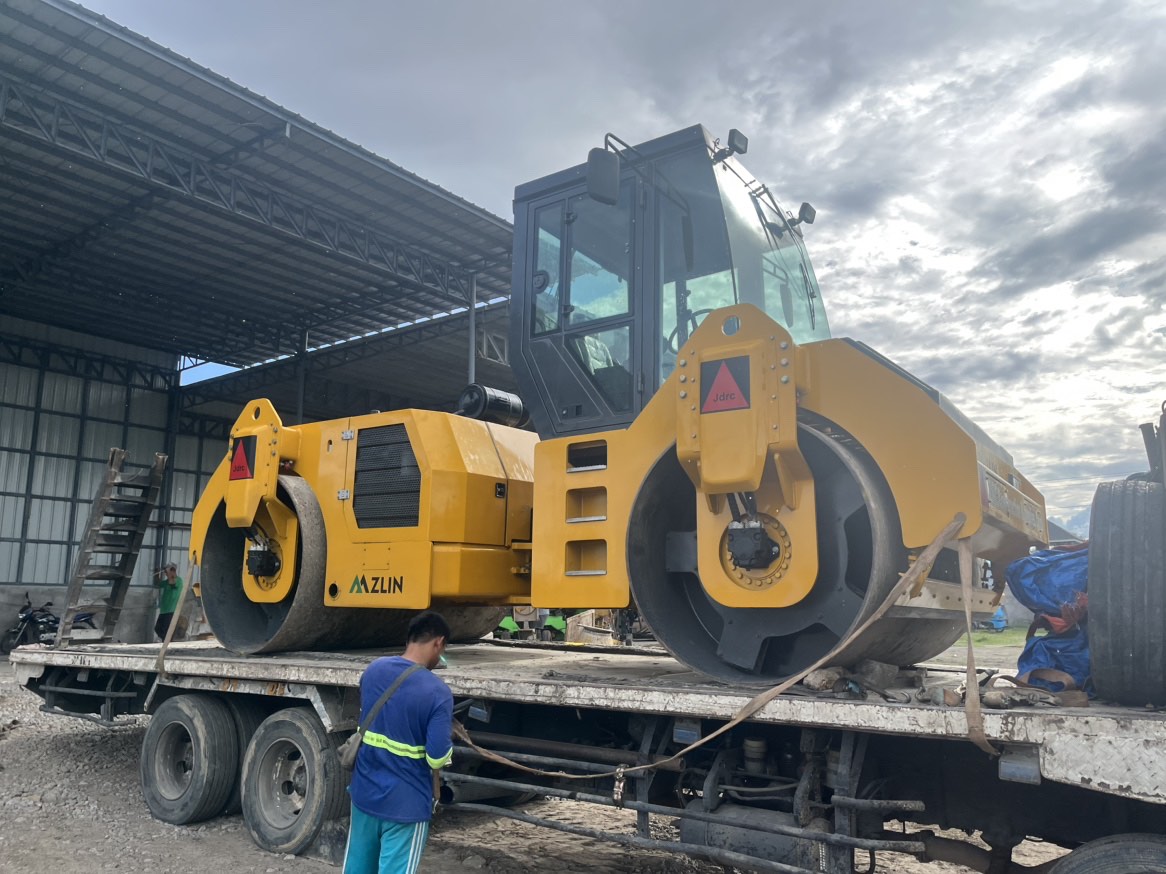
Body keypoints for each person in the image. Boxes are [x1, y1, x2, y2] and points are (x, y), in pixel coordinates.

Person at [344, 611, 453, 874]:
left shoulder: (374, 670)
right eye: (442, 650)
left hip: (364, 795)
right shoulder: (438, 692)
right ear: (438, 643)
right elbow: (437, 758)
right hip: (405, 806)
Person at [153, 563, 183, 641]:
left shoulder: (178, 581)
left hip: (172, 610)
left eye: (167, 572)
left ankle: (167, 643)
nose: (166, 574)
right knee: (158, 628)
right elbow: (158, 583)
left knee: (166, 631)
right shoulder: (167, 581)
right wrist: (156, 574)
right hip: (164, 610)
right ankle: (166, 641)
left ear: (173, 571)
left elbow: (172, 583)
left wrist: (169, 572)